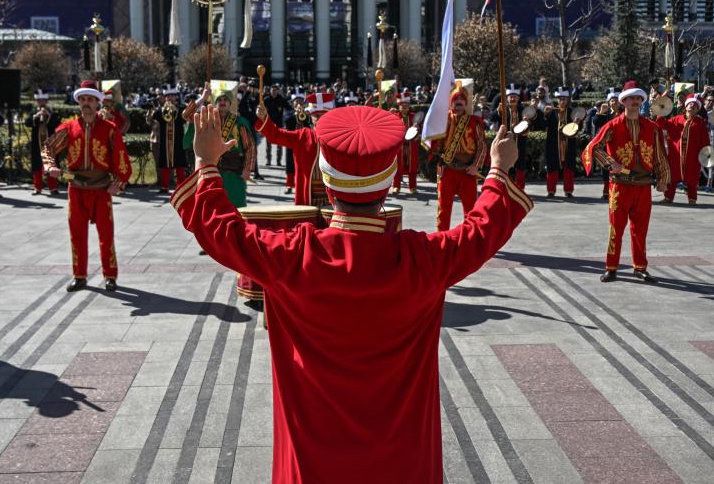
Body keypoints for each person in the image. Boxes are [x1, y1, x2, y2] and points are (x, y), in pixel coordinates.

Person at [171, 103, 532, 484]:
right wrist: (498, 169)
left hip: (313, 463)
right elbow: (481, 229)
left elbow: (221, 229)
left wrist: (205, 163)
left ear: (326, 185)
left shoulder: (293, 256)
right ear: (390, 184)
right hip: (402, 462)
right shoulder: (423, 260)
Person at [42, 81, 132, 292]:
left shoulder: (109, 129)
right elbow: (48, 147)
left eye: (90, 100)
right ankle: (79, 275)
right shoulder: (69, 128)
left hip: (101, 189)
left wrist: (118, 183)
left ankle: (110, 276)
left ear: (97, 103)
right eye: (82, 100)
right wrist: (50, 166)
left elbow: (121, 156)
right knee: (77, 233)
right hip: (77, 188)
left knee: (106, 234)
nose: (86, 104)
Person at [583, 85, 671, 282]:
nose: (635, 102)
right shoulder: (612, 126)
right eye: (631, 98)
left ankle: (640, 267)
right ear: (623, 102)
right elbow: (592, 147)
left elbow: (660, 155)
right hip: (620, 186)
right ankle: (611, 267)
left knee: (640, 230)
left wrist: (664, 178)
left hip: (643, 186)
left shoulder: (652, 127)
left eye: (638, 99)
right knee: (616, 228)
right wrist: (609, 162)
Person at [426, 83, 486, 232]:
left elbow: (482, 146)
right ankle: (442, 240)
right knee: (443, 211)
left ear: (466, 103)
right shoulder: (442, 121)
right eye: (455, 99)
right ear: (451, 102)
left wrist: (475, 166)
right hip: (447, 172)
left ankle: (470, 241)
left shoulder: (474, 121)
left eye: (461, 100)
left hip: (467, 172)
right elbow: (435, 146)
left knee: (471, 212)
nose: (458, 102)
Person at [256, 91, 331, 206]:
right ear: (311, 117)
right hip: (309, 195)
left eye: (323, 115)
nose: (320, 118)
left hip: (332, 196)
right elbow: (276, 135)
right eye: (316, 115)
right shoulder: (303, 136)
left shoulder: (338, 137)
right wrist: (265, 118)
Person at [659, 96, 711, 205]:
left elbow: (705, 140)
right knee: (672, 176)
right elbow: (662, 124)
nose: (692, 106)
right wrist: (660, 113)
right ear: (685, 106)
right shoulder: (676, 119)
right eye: (690, 104)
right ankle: (668, 197)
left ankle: (692, 198)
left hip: (693, 155)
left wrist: (705, 154)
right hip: (676, 154)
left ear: (698, 109)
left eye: (695, 105)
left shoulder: (700, 123)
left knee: (692, 177)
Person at [539, 88, 579, 199]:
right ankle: (551, 190)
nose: (562, 101)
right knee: (552, 168)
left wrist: (577, 122)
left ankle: (568, 190)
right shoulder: (551, 112)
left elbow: (578, 129)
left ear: (567, 100)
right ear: (557, 100)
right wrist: (545, 115)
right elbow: (542, 125)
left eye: (564, 99)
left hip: (568, 144)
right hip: (553, 144)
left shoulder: (572, 112)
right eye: (560, 99)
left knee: (569, 168)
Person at [151, 87, 187, 194]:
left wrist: (175, 109)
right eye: (168, 96)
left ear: (176, 97)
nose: (170, 98)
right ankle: (164, 187)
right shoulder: (162, 109)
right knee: (164, 164)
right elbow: (155, 116)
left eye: (172, 96)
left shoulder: (181, 108)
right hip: (165, 141)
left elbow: (185, 117)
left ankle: (181, 187)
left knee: (179, 164)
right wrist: (161, 107)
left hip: (178, 140)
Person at [28, 90, 59, 195]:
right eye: (39, 100)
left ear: (46, 100)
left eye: (43, 100)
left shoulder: (52, 112)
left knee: (51, 163)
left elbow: (57, 124)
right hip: (37, 144)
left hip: (50, 144)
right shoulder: (33, 112)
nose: (41, 102)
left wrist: (48, 116)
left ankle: (53, 188)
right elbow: (27, 123)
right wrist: (36, 116)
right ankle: (37, 187)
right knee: (37, 165)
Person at [393, 92, 422, 194]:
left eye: (406, 106)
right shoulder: (394, 116)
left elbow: (420, 131)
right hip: (399, 146)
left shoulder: (414, 117)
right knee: (397, 167)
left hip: (411, 145)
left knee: (412, 167)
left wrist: (417, 130)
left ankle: (412, 187)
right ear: (399, 106)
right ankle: (396, 186)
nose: (405, 108)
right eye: (402, 106)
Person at [262, 83, 289, 167]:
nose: (274, 92)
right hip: (269, 125)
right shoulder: (266, 100)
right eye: (272, 90)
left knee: (279, 144)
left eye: (275, 90)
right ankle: (268, 160)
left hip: (279, 125)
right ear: (270, 91)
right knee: (268, 144)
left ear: (278, 91)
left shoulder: (281, 100)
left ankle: (278, 161)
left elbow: (289, 108)